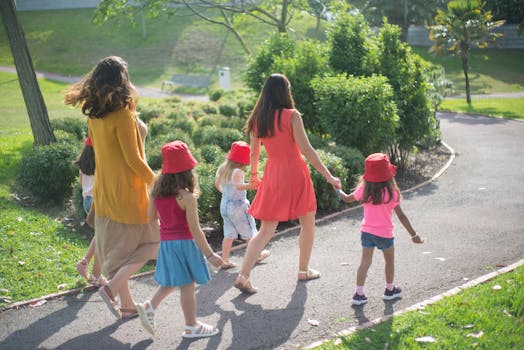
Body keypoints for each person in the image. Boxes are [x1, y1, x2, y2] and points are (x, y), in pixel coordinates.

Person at [64, 56, 159, 320]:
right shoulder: (123, 116)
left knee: (121, 255)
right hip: (130, 195)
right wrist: (159, 183)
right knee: (155, 243)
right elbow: (134, 160)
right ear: (122, 82)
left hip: (105, 194)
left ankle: (127, 306)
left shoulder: (94, 118)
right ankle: (112, 288)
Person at [234, 73, 341, 294]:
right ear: (285, 92)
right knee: (308, 222)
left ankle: (243, 275)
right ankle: (303, 270)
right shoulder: (292, 116)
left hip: (273, 174)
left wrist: (254, 175)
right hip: (295, 173)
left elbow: (254, 151)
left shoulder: (257, 119)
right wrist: (329, 176)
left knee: (265, 231)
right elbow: (307, 150)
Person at [135, 140, 224, 338]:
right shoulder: (187, 197)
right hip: (185, 244)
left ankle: (150, 306)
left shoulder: (156, 193)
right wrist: (210, 255)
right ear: (187, 171)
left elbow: (150, 218)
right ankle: (191, 326)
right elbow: (195, 230)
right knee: (187, 284)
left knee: (176, 279)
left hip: (167, 244)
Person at [337, 153, 424, 305]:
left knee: (365, 262)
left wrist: (337, 188)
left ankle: (359, 294)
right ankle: (389, 290)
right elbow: (402, 217)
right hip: (385, 234)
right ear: (388, 174)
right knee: (389, 261)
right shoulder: (392, 193)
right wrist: (413, 235)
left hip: (367, 233)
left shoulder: (364, 190)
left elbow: (346, 198)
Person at [215, 141, 270, 269]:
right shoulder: (237, 171)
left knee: (228, 234)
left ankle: (225, 260)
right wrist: (252, 186)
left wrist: (226, 193)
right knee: (249, 230)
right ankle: (256, 255)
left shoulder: (222, 168)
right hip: (238, 206)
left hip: (225, 204)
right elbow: (239, 186)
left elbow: (217, 184)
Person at [74, 136, 106, 287]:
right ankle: (95, 274)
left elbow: (82, 183)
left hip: (87, 201)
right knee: (102, 238)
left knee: (100, 236)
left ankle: (87, 266)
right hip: (98, 202)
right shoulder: (100, 164)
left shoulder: (83, 164)